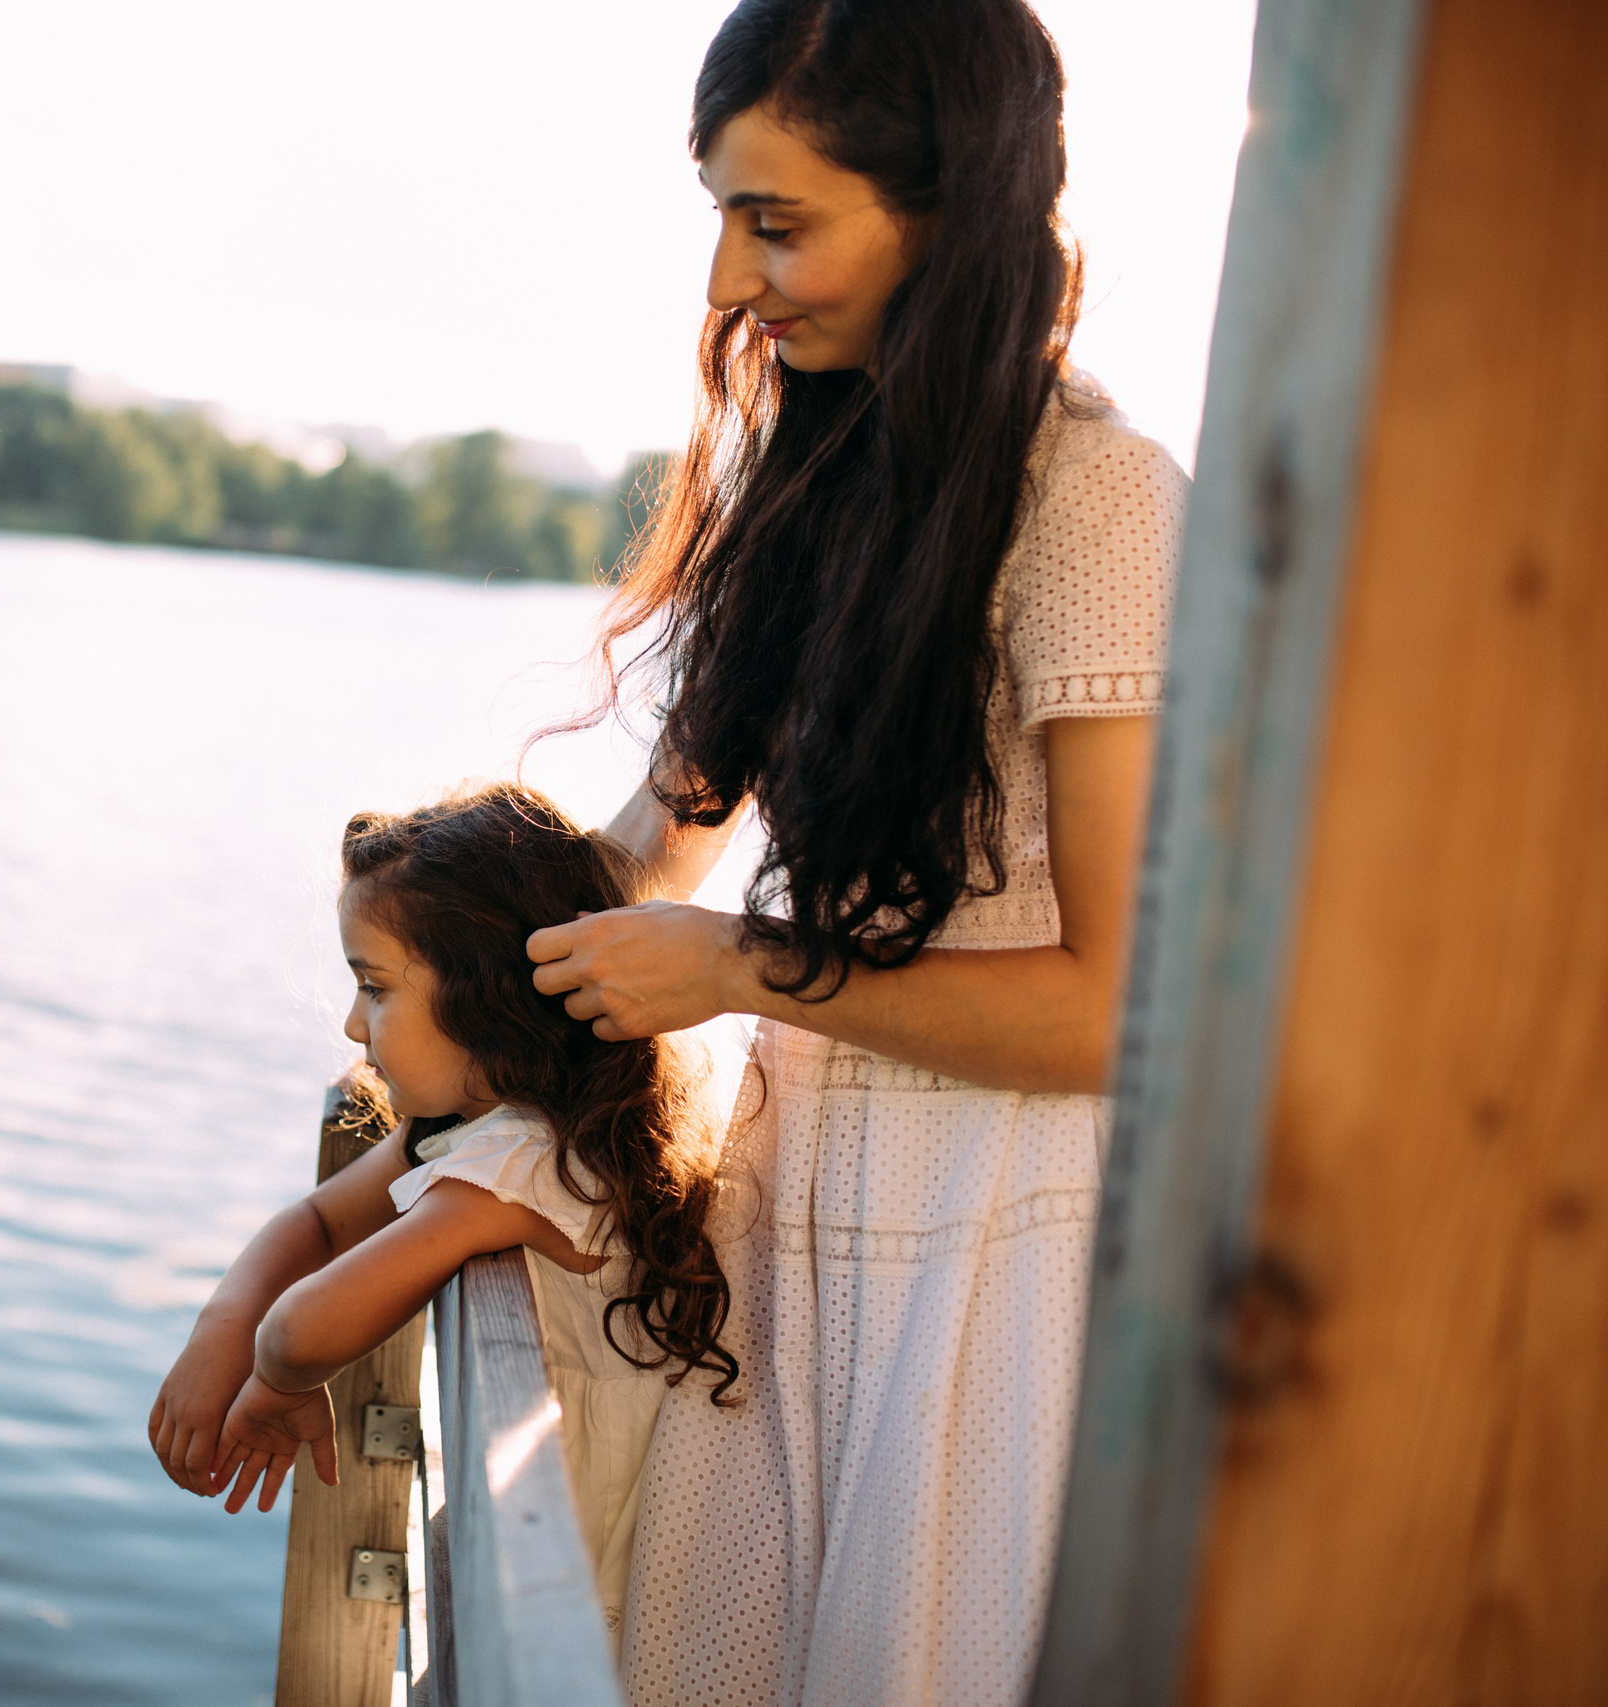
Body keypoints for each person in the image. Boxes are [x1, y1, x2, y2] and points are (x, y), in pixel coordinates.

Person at [524, 1, 1189, 1701]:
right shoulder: (821, 476)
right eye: (723, 216)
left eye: (778, 222)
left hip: (996, 1263)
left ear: (950, 207)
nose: (727, 282)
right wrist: (444, 967)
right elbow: (653, 849)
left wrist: (743, 967)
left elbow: (1118, 1010)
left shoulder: (1101, 503)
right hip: (784, 1228)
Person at [147, 784, 735, 1639]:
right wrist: (223, 1323)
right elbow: (317, 1224)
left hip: (587, 1571)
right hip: (542, 1524)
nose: (353, 1026)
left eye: (374, 987)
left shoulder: (521, 1163)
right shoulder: (479, 1122)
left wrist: (276, 1381)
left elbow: (304, 1329)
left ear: (486, 1000)